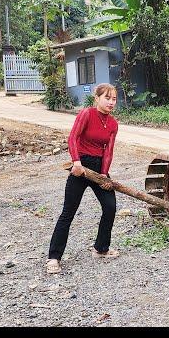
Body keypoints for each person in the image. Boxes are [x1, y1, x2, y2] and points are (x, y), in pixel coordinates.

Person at [46, 83, 119, 274]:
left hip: (98, 169)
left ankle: (101, 248)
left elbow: (109, 151)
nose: (111, 102)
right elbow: (72, 138)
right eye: (107, 98)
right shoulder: (86, 114)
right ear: (97, 98)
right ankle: (54, 257)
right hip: (80, 167)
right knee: (68, 212)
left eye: (114, 99)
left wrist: (104, 173)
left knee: (110, 206)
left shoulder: (113, 123)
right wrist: (76, 162)